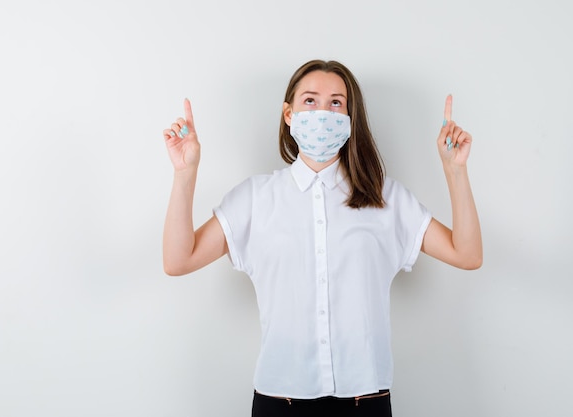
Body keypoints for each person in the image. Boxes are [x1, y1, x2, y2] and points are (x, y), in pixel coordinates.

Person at [162, 59, 482, 417]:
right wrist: (184, 173)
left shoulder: (386, 199)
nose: (322, 112)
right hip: (278, 401)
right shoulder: (254, 198)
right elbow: (179, 260)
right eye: (310, 101)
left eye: (336, 103)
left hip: (366, 402)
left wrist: (456, 171)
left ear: (349, 118)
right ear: (289, 113)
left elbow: (466, 254)